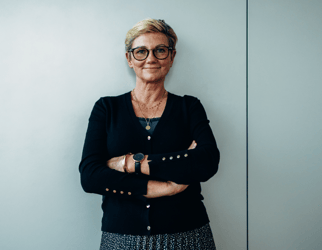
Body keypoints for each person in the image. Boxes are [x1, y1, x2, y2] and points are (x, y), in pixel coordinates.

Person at [79, 18, 220, 250]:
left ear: (172, 57)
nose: (151, 58)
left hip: (188, 234)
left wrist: (130, 164)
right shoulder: (106, 109)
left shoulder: (189, 107)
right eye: (141, 51)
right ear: (129, 59)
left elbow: (207, 162)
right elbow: (90, 176)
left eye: (160, 50)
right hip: (122, 238)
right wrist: (165, 187)